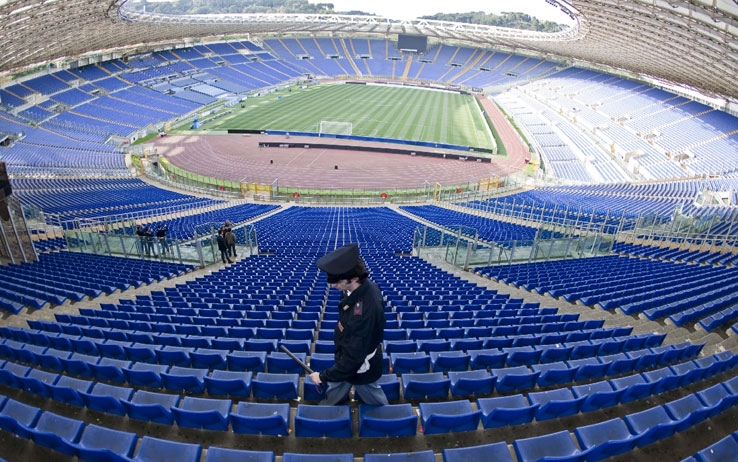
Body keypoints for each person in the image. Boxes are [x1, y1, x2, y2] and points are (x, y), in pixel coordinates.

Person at [309, 243, 388, 406]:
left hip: (358, 364)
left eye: (336, 281)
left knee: (370, 392)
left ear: (353, 278)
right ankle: (329, 404)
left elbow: (354, 358)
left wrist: (322, 376)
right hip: (347, 357)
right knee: (338, 384)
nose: (332, 285)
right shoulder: (360, 288)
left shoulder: (365, 311)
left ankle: (388, 420)